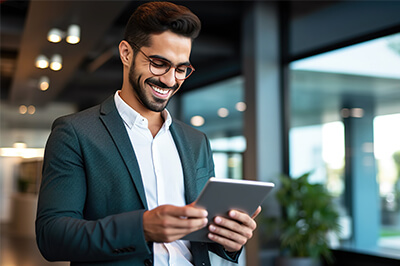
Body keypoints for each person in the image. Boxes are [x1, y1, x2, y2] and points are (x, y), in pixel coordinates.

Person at [35, 2, 261, 265]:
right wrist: (141, 228)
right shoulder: (75, 133)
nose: (169, 80)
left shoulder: (196, 142)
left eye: (180, 69)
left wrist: (229, 240)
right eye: (158, 63)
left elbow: (202, 233)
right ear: (126, 53)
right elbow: (51, 236)